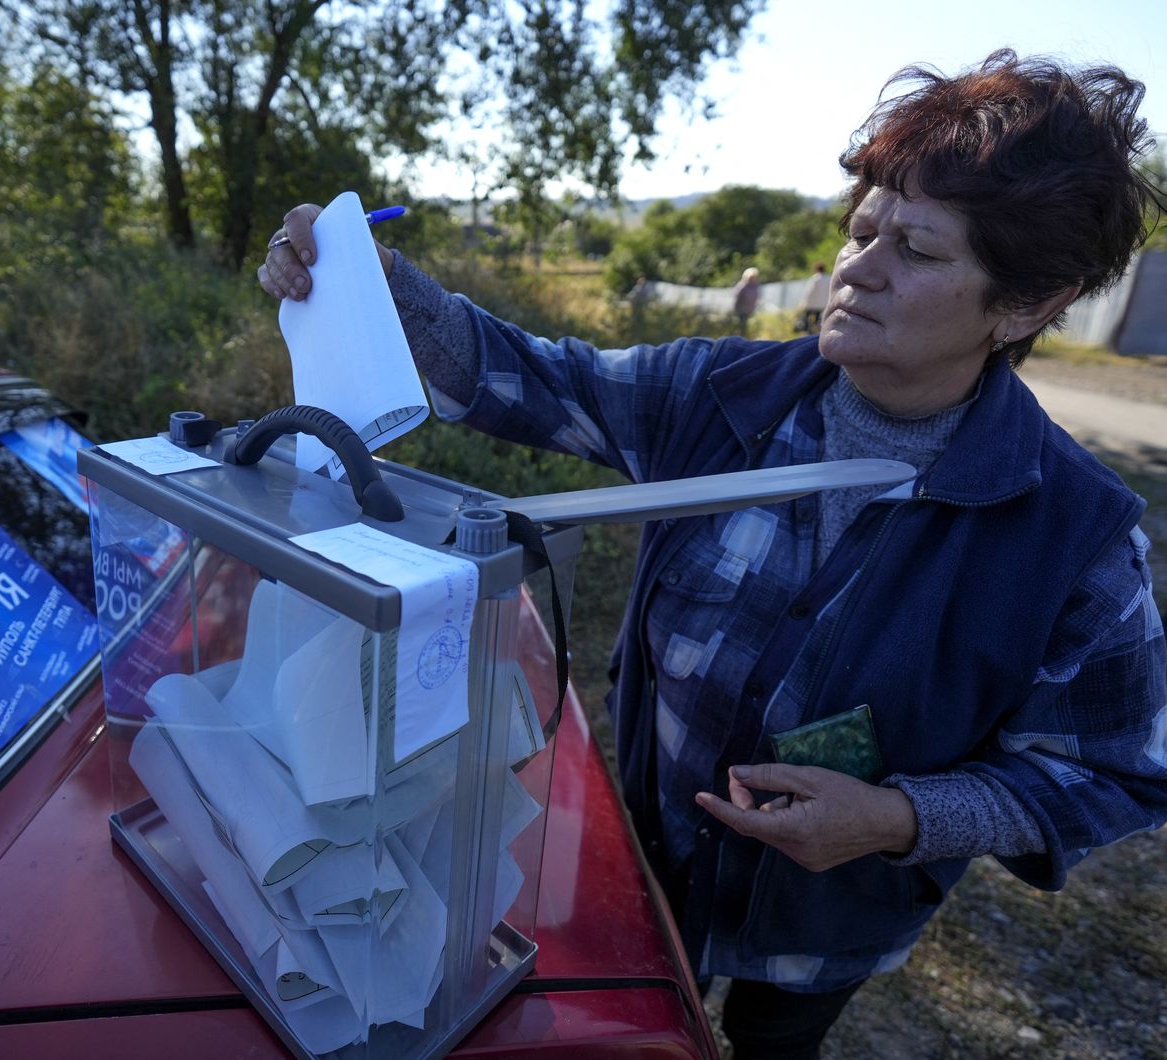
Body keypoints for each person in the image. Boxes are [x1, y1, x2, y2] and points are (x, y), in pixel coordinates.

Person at [260, 50, 1167, 1059]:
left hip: (820, 935)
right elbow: (527, 375)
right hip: (644, 863)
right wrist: (369, 282)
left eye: (916, 250)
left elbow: (1116, 776)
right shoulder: (717, 394)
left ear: (1028, 305)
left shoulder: (1074, 539)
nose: (858, 267)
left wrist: (896, 817)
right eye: (863, 227)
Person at [797, 262, 830, 334]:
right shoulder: (829, 279)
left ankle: (810, 334)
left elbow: (809, 292)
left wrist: (803, 303)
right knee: (819, 320)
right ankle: (819, 333)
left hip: (812, 305)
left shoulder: (815, 279)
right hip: (823, 304)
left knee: (809, 321)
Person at [732, 265, 761, 334]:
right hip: (742, 309)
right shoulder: (742, 286)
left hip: (750, 309)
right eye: (751, 277)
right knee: (741, 325)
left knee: (745, 325)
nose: (753, 278)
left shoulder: (755, 286)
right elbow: (738, 298)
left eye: (754, 277)